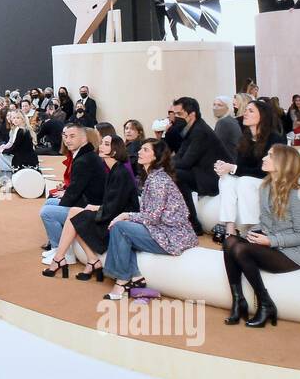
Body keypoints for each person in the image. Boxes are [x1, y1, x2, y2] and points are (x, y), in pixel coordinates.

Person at [221, 145, 300, 329]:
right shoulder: (266, 186)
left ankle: (265, 303)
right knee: (230, 241)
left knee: (241, 249)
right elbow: (266, 224)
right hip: (274, 243)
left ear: (283, 162)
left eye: (270, 156)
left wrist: (270, 241)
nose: (265, 157)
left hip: (295, 252)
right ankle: (238, 301)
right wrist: (251, 233)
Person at [101, 138, 197, 300]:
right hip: (164, 230)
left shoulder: (158, 180)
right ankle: (136, 277)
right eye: (141, 149)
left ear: (155, 157)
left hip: (172, 236)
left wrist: (125, 215)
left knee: (120, 228)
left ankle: (122, 281)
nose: (139, 152)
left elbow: (152, 217)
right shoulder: (153, 177)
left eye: (145, 150)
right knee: (123, 229)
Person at [46, 135, 139, 281]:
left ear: (114, 152)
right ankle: (87, 260)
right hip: (113, 213)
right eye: (102, 143)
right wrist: (95, 207)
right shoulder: (113, 170)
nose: (101, 146)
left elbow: (117, 207)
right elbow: (112, 202)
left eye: (106, 144)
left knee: (77, 218)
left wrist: (95, 208)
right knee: (75, 213)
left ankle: (62, 259)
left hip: (120, 220)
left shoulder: (120, 173)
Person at [212, 97, 277, 241]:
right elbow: (241, 166)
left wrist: (233, 168)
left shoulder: (275, 138)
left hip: (268, 181)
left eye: (251, 111)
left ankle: (252, 227)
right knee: (226, 180)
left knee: (244, 181)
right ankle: (230, 228)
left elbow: (263, 170)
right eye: (246, 110)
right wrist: (226, 168)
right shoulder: (245, 138)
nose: (245, 113)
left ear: (263, 116)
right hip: (249, 180)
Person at [39, 124, 105, 259]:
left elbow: (74, 192)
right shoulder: (84, 155)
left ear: (84, 138)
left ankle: (64, 251)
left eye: (72, 136)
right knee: (51, 201)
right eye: (65, 136)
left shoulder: (84, 160)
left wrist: (62, 200)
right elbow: (75, 189)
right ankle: (55, 245)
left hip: (90, 208)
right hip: (85, 201)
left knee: (47, 212)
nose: (67, 140)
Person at [170, 96, 226, 234]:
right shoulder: (191, 129)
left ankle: (193, 223)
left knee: (176, 175)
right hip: (201, 172)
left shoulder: (200, 131)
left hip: (213, 178)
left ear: (192, 114)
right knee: (171, 172)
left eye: (179, 114)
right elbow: (179, 156)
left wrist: (166, 165)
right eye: (174, 114)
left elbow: (186, 162)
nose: (175, 118)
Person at [212, 95, 242, 162]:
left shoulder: (224, 122)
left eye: (220, 105)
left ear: (228, 108)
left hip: (228, 163)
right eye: (214, 104)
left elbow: (215, 146)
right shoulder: (231, 120)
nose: (215, 107)